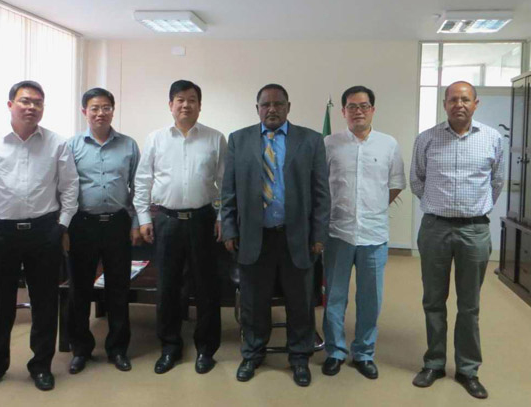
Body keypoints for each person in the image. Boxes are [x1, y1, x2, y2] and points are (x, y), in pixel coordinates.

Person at [0, 80, 79, 392]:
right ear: (10, 104)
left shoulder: (57, 143)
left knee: (45, 303)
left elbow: (70, 186)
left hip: (44, 232)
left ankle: (41, 366)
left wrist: (62, 224)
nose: (31, 107)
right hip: (1, 233)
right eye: (25, 101)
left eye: (38, 102)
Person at [221, 83, 330, 387]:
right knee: (254, 302)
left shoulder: (310, 140)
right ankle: (252, 353)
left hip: (298, 236)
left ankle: (299, 357)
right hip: (254, 236)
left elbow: (322, 193)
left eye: (278, 104)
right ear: (257, 109)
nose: (272, 109)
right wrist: (228, 228)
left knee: (300, 301)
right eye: (265, 104)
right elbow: (228, 191)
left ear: (288, 107)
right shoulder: (239, 140)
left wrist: (319, 234)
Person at [410, 81, 504, 399]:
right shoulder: (427, 138)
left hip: (474, 230)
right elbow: (417, 179)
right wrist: (439, 205)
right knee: (433, 300)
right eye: (453, 99)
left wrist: (473, 209)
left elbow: (496, 181)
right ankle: (434, 363)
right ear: (444, 104)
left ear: (476, 103)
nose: (459, 104)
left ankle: (468, 369)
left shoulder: (492, 138)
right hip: (435, 228)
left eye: (465, 99)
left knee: (469, 304)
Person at [133, 80, 227, 375]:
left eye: (192, 100)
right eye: (180, 100)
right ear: (170, 105)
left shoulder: (215, 138)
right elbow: (143, 181)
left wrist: (222, 218)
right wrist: (144, 218)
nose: (186, 105)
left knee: (206, 287)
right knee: (168, 287)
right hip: (167, 221)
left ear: (200, 105)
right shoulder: (156, 139)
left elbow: (224, 183)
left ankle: (206, 349)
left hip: (203, 221)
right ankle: (170, 347)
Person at [322, 86, 405, 380]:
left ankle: (364, 353)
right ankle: (334, 351)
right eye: (352, 106)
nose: (358, 111)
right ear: (343, 111)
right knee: (335, 297)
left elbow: (396, 184)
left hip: (374, 235)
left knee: (371, 299)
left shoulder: (388, 144)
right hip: (338, 233)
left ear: (373, 110)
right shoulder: (329, 144)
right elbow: (320, 186)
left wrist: (373, 208)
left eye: (364, 106)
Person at [66, 87, 141, 374]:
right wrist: (64, 226)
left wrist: (136, 222)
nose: (101, 113)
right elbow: (65, 188)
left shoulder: (128, 145)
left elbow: (138, 187)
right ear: (84, 111)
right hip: (82, 225)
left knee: (118, 289)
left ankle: (118, 349)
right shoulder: (72, 146)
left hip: (117, 225)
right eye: (95, 108)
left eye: (106, 107)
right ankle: (80, 349)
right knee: (79, 289)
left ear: (113, 110)